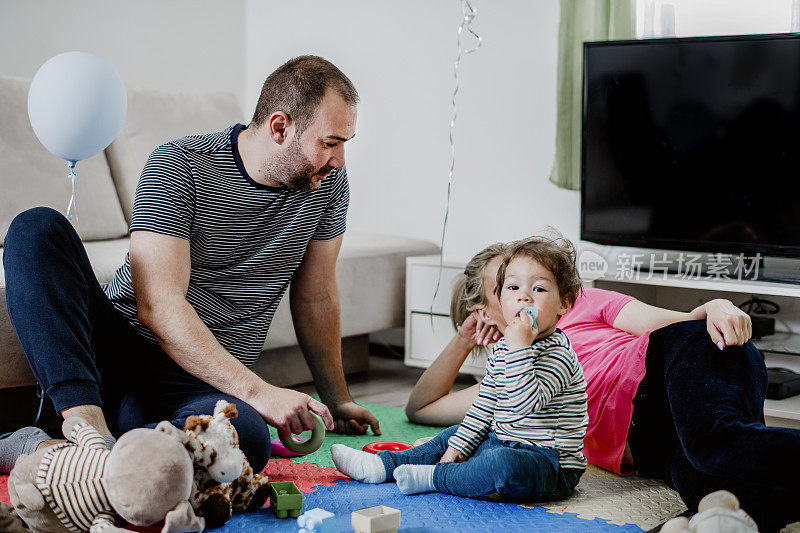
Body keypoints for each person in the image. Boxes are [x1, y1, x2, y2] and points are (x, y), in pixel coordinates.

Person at [0, 55, 380, 476]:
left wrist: (338, 398)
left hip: (201, 382)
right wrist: (262, 393)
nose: (340, 159)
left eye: (345, 142)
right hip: (120, 348)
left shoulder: (328, 186)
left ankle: (60, 455)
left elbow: (317, 295)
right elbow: (159, 307)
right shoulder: (181, 164)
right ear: (279, 127)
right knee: (35, 229)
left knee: (247, 439)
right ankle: (87, 429)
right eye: (330, 143)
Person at [404, 239, 800, 532]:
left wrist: (715, 305)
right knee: (710, 487)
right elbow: (421, 407)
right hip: (651, 448)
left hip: (670, 367)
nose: (525, 292)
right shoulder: (508, 383)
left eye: (536, 284)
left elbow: (677, 324)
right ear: (488, 312)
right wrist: (464, 339)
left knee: (715, 446)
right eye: (508, 286)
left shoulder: (581, 304)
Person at [330, 236, 588, 501]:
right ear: (493, 305)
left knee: (503, 465)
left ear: (564, 304)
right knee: (454, 435)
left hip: (550, 464)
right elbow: (483, 407)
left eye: (539, 289)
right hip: (505, 441)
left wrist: (519, 349)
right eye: (512, 287)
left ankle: (434, 477)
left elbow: (523, 405)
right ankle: (383, 465)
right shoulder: (502, 350)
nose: (523, 296)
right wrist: (456, 448)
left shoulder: (557, 355)